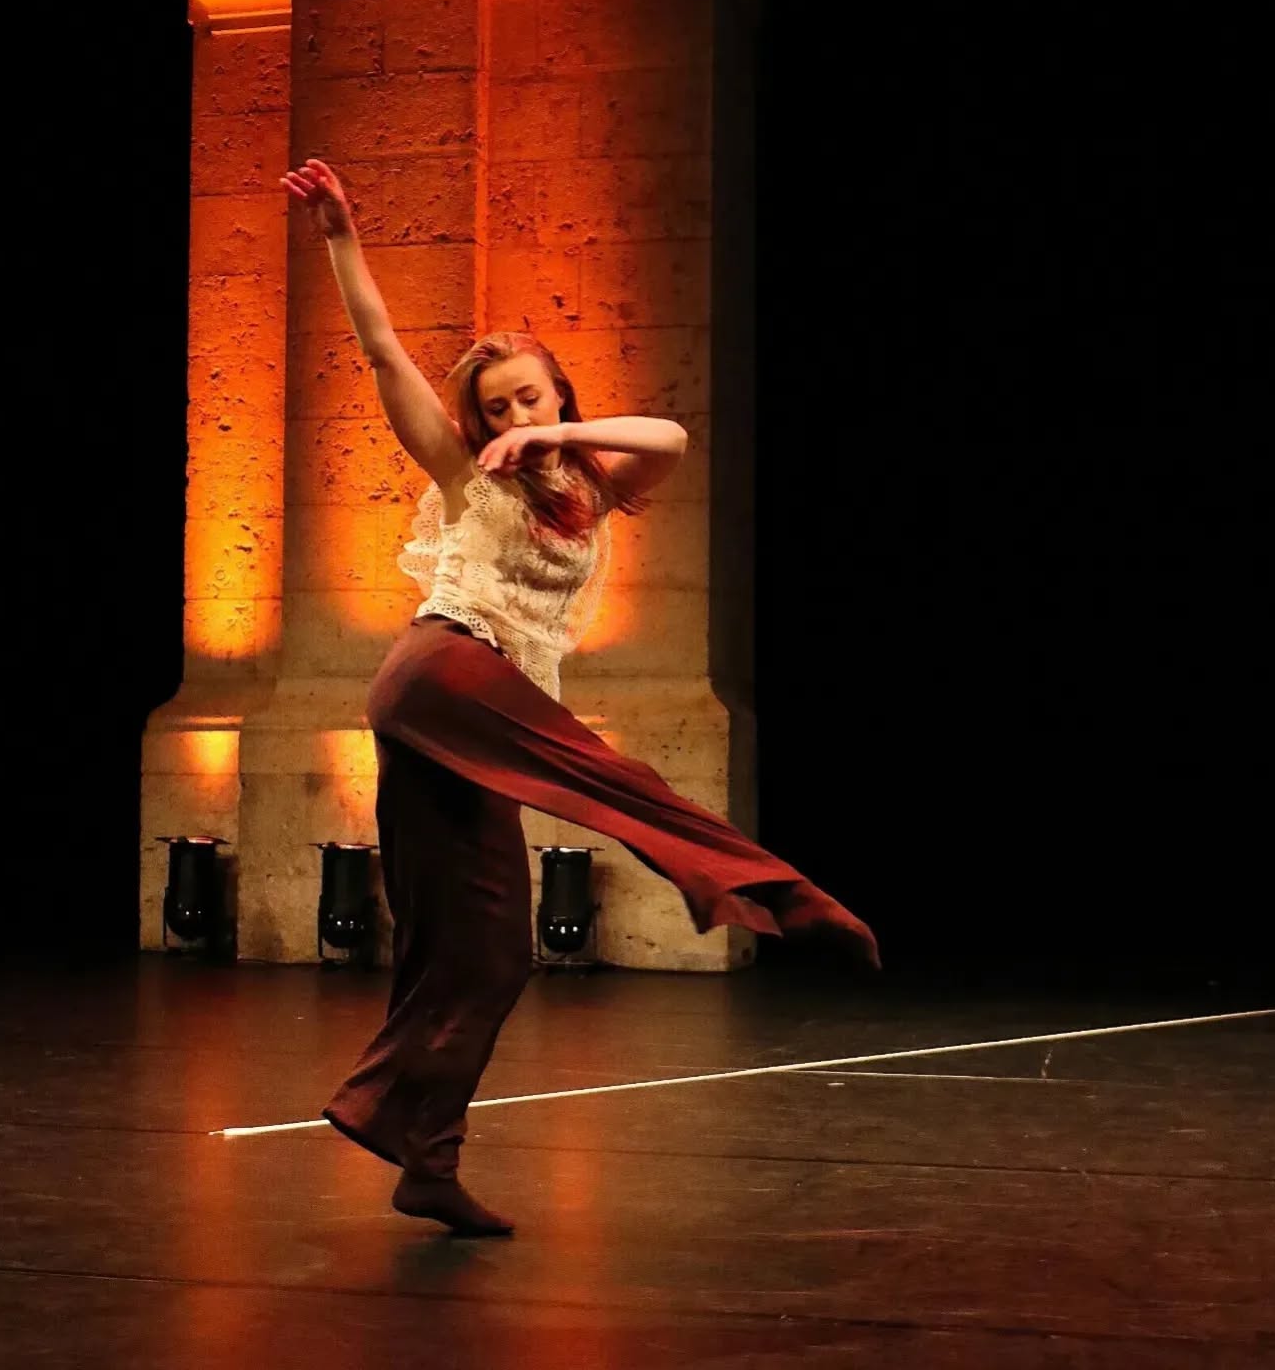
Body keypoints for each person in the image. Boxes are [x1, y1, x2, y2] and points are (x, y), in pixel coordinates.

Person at [281, 159, 878, 1236]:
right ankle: (780, 892)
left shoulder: (591, 479)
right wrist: (339, 237)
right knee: (618, 779)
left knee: (484, 944)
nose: (514, 411)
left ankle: (418, 1145)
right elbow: (379, 351)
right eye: (498, 404)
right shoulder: (469, 475)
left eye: (530, 394)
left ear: (558, 393)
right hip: (446, 671)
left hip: (480, 718)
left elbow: (674, 440)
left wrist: (557, 438)